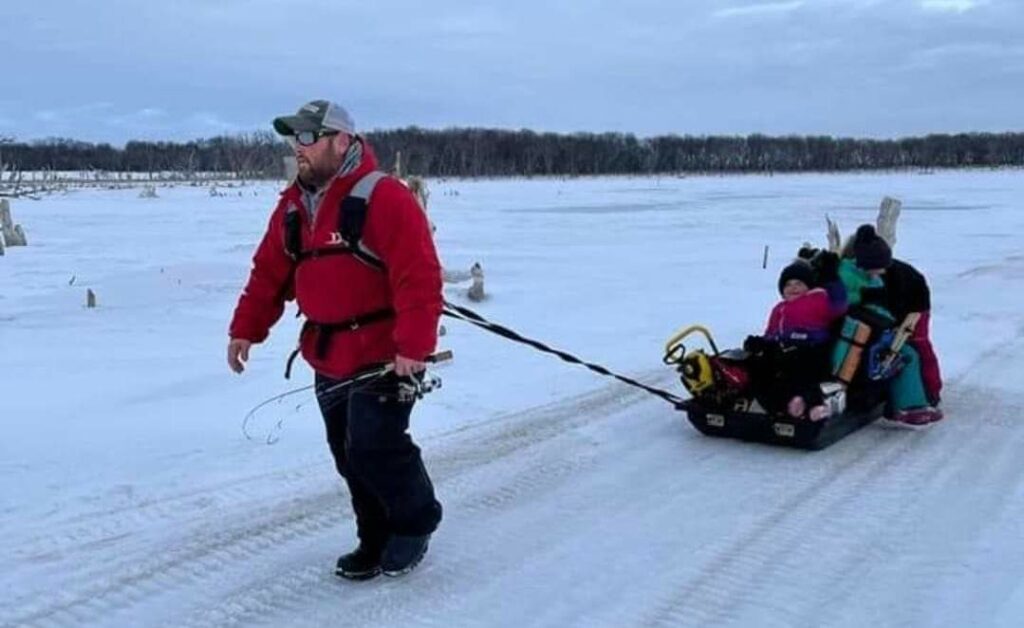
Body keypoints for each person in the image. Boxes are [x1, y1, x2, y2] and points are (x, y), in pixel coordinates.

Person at [227, 100, 444, 579]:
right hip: (328, 354)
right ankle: (374, 537)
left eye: (308, 138)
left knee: (375, 446)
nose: (298, 149)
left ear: (341, 140)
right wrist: (245, 329)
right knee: (347, 454)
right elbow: (268, 274)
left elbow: (419, 276)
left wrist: (414, 345)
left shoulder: (383, 197)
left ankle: (414, 522)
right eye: (294, 139)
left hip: (386, 353)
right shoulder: (292, 207)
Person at [840, 225, 942, 424]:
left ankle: (930, 392)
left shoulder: (892, 274)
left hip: (913, 305)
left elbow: (888, 304)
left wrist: (894, 327)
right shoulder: (858, 272)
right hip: (886, 312)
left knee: (916, 346)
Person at [744, 254, 847, 421]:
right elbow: (771, 334)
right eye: (788, 284)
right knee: (762, 370)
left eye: (799, 284)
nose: (793, 288)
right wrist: (760, 343)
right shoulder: (779, 309)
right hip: (784, 352)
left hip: (812, 351)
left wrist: (832, 277)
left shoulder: (817, 300)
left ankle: (815, 407)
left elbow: (839, 304)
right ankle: (787, 405)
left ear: (809, 287)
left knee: (806, 377)